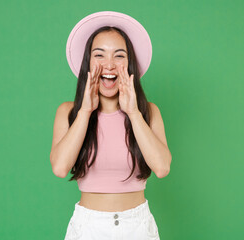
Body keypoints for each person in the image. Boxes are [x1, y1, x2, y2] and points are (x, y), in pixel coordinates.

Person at [50, 11, 172, 240]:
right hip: (89, 227)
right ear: (88, 62)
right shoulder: (69, 112)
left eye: (119, 56)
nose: (109, 65)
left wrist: (133, 112)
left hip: (138, 227)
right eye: (99, 55)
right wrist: (86, 110)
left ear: (130, 64)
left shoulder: (148, 112)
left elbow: (162, 168)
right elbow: (59, 168)